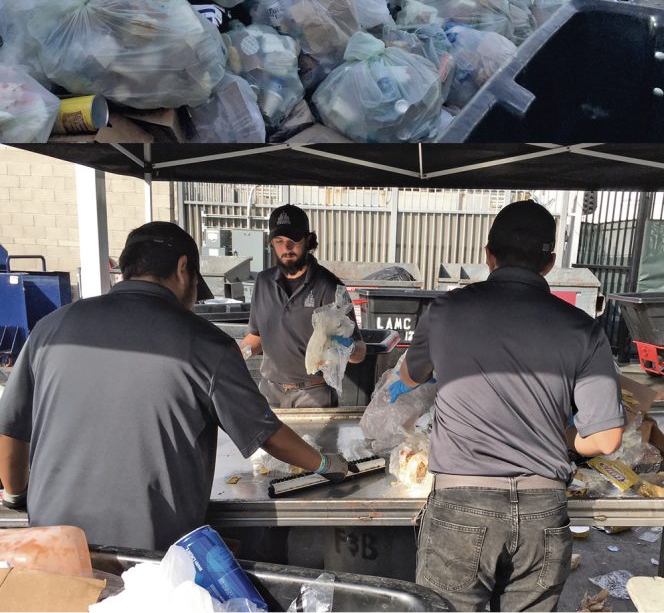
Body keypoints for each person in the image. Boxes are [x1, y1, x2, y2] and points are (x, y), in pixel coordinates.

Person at [0, 222, 351, 551]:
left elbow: (11, 429)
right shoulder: (206, 344)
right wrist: (326, 463)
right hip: (149, 555)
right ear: (184, 268)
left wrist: (16, 496)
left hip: (51, 545)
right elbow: (267, 434)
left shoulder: (50, 329)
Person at [398, 200, 625, 613]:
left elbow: (411, 377)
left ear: (489, 255)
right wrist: (561, 434)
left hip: (460, 504)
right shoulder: (583, 328)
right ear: (550, 262)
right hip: (544, 511)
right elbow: (607, 440)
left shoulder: (446, 310)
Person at [240, 205, 367, 408]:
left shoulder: (330, 287)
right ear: (271, 243)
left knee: (312, 442)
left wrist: (349, 348)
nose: (286, 248)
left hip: (313, 393)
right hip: (270, 392)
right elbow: (256, 338)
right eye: (279, 241)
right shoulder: (263, 283)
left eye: (294, 240)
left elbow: (360, 351)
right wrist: (235, 356)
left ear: (308, 240)